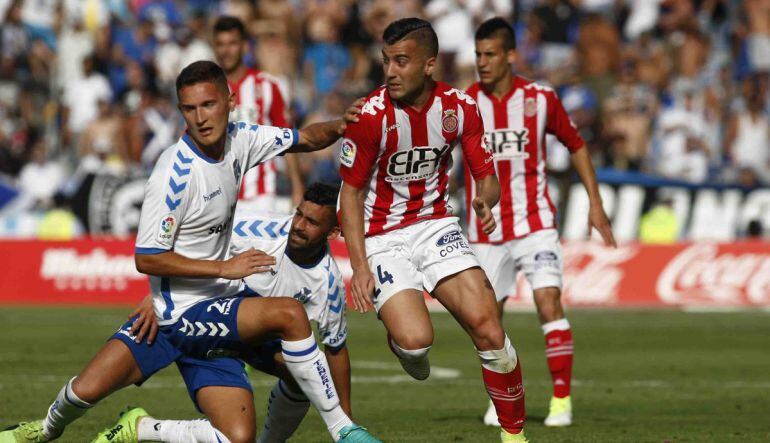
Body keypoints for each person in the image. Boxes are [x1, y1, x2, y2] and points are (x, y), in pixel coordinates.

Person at [0, 61, 378, 443]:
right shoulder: (173, 176)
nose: (200, 117)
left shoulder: (240, 138)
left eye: (208, 105)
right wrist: (223, 268)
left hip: (218, 308)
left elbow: (305, 139)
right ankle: (44, 429)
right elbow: (146, 257)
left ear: (230, 103)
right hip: (177, 314)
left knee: (246, 427)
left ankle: (142, 428)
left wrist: (339, 126)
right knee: (84, 392)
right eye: (189, 108)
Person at [338, 18, 528, 443]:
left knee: (489, 327)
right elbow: (349, 196)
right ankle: (404, 345)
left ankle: (515, 436)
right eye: (386, 61)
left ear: (429, 64)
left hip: (436, 224)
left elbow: (487, 175)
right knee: (417, 342)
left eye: (401, 61)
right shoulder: (370, 116)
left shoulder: (459, 108)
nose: (390, 71)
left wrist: (486, 199)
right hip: (382, 237)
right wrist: (360, 267)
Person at [113, 182, 354, 443]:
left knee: (305, 377)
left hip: (258, 339)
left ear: (333, 233)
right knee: (88, 389)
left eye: (312, 222)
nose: (298, 225)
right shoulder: (255, 228)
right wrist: (159, 294)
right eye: (299, 214)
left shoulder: (328, 283)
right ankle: (124, 423)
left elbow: (336, 348)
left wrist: (348, 424)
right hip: (208, 320)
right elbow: (193, 245)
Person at [466, 18, 616, 428]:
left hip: (535, 223)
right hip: (486, 231)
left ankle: (561, 401)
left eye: (490, 54)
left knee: (548, 303)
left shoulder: (540, 97)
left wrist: (595, 203)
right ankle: (501, 402)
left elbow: (577, 144)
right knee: (487, 323)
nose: (482, 62)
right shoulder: (464, 103)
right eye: (478, 54)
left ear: (511, 56)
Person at [213, 15, 305, 210]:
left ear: (245, 46)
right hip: (218, 194)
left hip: (262, 195)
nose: (226, 50)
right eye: (220, 44)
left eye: (232, 43)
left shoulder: (267, 86)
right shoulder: (209, 89)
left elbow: (287, 139)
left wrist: (297, 187)